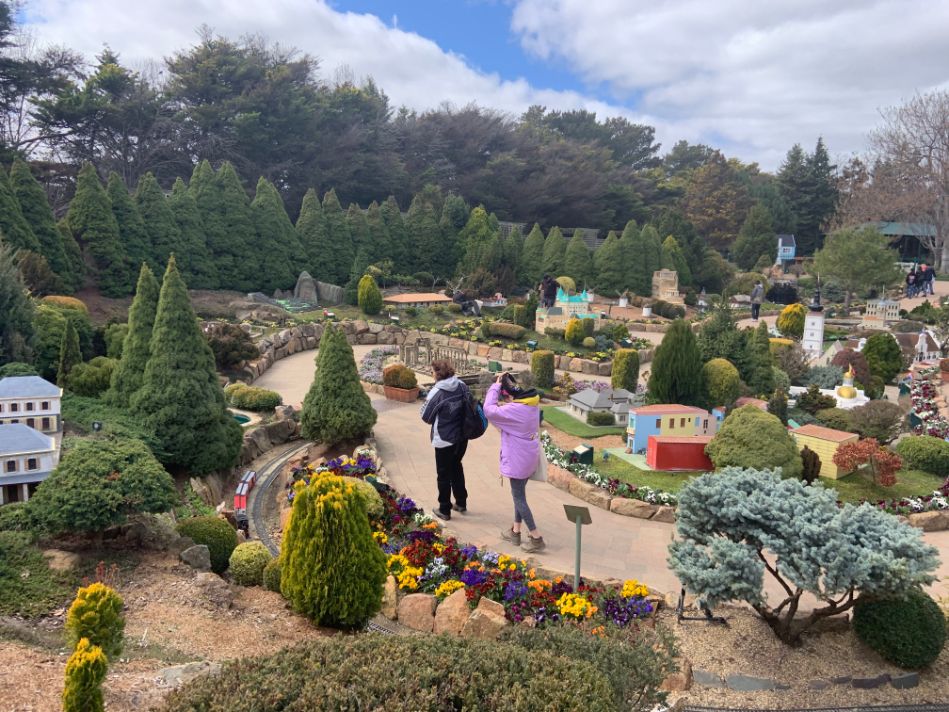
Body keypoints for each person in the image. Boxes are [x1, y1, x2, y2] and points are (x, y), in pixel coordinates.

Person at [483, 372, 545, 553]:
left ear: (509, 395)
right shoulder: (530, 405)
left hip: (518, 459)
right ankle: (515, 531)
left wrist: (495, 386)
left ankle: (536, 537)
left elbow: (489, 410)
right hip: (527, 458)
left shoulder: (514, 410)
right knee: (519, 495)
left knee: (519, 498)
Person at [420, 359, 470, 520]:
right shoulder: (461, 385)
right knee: (456, 466)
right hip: (462, 436)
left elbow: (426, 416)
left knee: (443, 474)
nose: (431, 374)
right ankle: (461, 502)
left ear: (437, 373)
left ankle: (444, 509)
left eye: (432, 371)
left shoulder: (437, 392)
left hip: (444, 438)